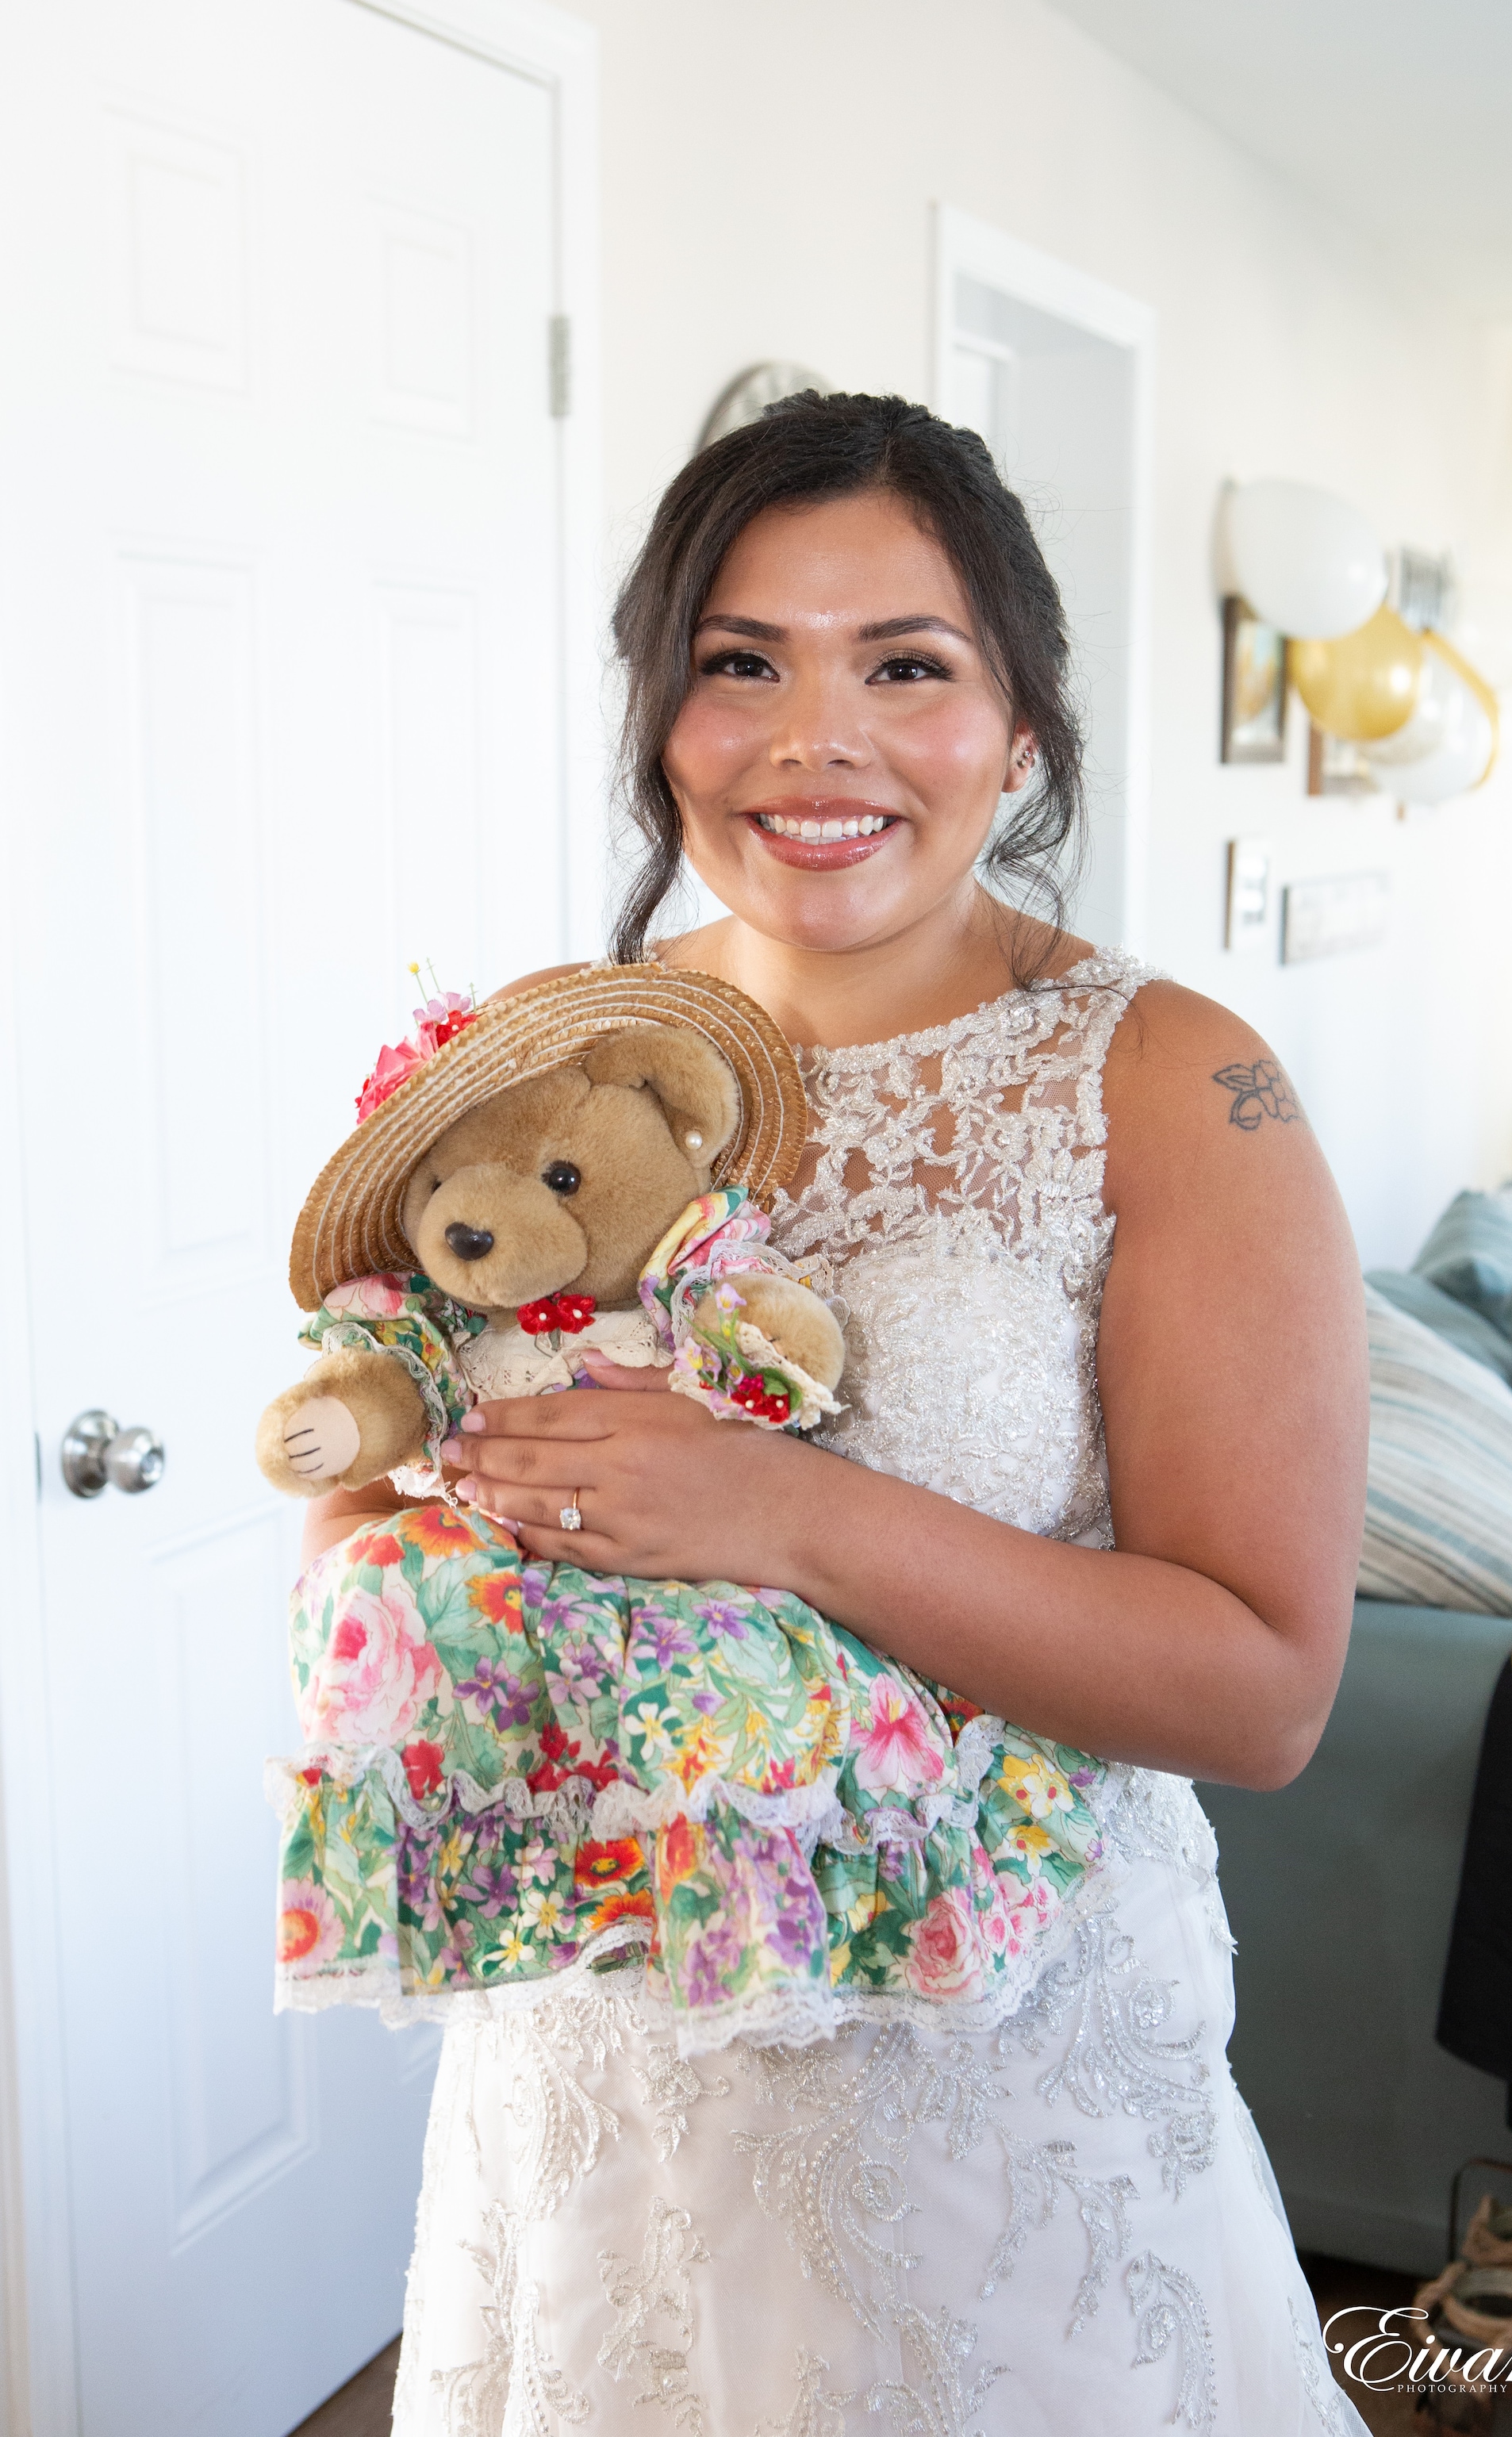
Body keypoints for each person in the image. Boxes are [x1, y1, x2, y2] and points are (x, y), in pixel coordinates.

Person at [307, 393, 1368, 2433]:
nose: (820, 740)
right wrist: (405, 1539)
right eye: (741, 663)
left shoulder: (1170, 1085)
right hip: (594, 2087)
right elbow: (382, 1507)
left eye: (907, 664)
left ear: (1022, 728)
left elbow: (1265, 1691)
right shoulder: (529, 1059)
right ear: (660, 720)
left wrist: (772, 1513)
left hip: (987, 2119)